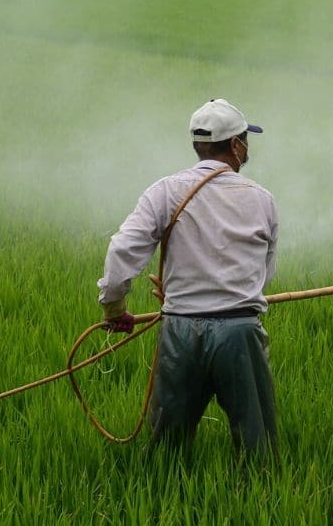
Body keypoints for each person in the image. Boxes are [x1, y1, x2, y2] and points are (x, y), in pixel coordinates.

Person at [97, 98, 279, 463]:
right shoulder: (261, 200)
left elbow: (122, 251)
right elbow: (264, 272)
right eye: (245, 140)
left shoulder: (165, 191)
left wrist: (115, 308)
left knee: (168, 450)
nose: (247, 148)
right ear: (235, 145)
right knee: (258, 446)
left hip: (180, 330)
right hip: (239, 331)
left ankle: (161, 498)